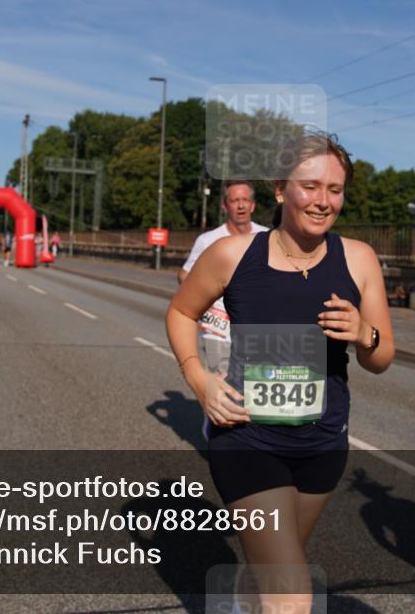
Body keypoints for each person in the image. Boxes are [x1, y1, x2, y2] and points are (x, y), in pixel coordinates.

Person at [166, 132, 394, 614]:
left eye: (335, 189)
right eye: (309, 186)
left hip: (322, 444)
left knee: (273, 571)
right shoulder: (234, 255)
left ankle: (240, 604)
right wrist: (199, 379)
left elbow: (382, 357)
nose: (323, 200)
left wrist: (362, 333)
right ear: (279, 190)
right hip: (246, 440)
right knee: (292, 596)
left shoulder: (358, 259)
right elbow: (181, 313)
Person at [179, 181, 268, 380]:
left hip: (257, 334)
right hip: (219, 331)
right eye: (235, 200)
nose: (241, 205)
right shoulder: (208, 240)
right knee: (223, 393)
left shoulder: (267, 237)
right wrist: (207, 300)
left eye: (245, 200)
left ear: (253, 205)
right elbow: (185, 275)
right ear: (225, 206)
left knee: (254, 396)